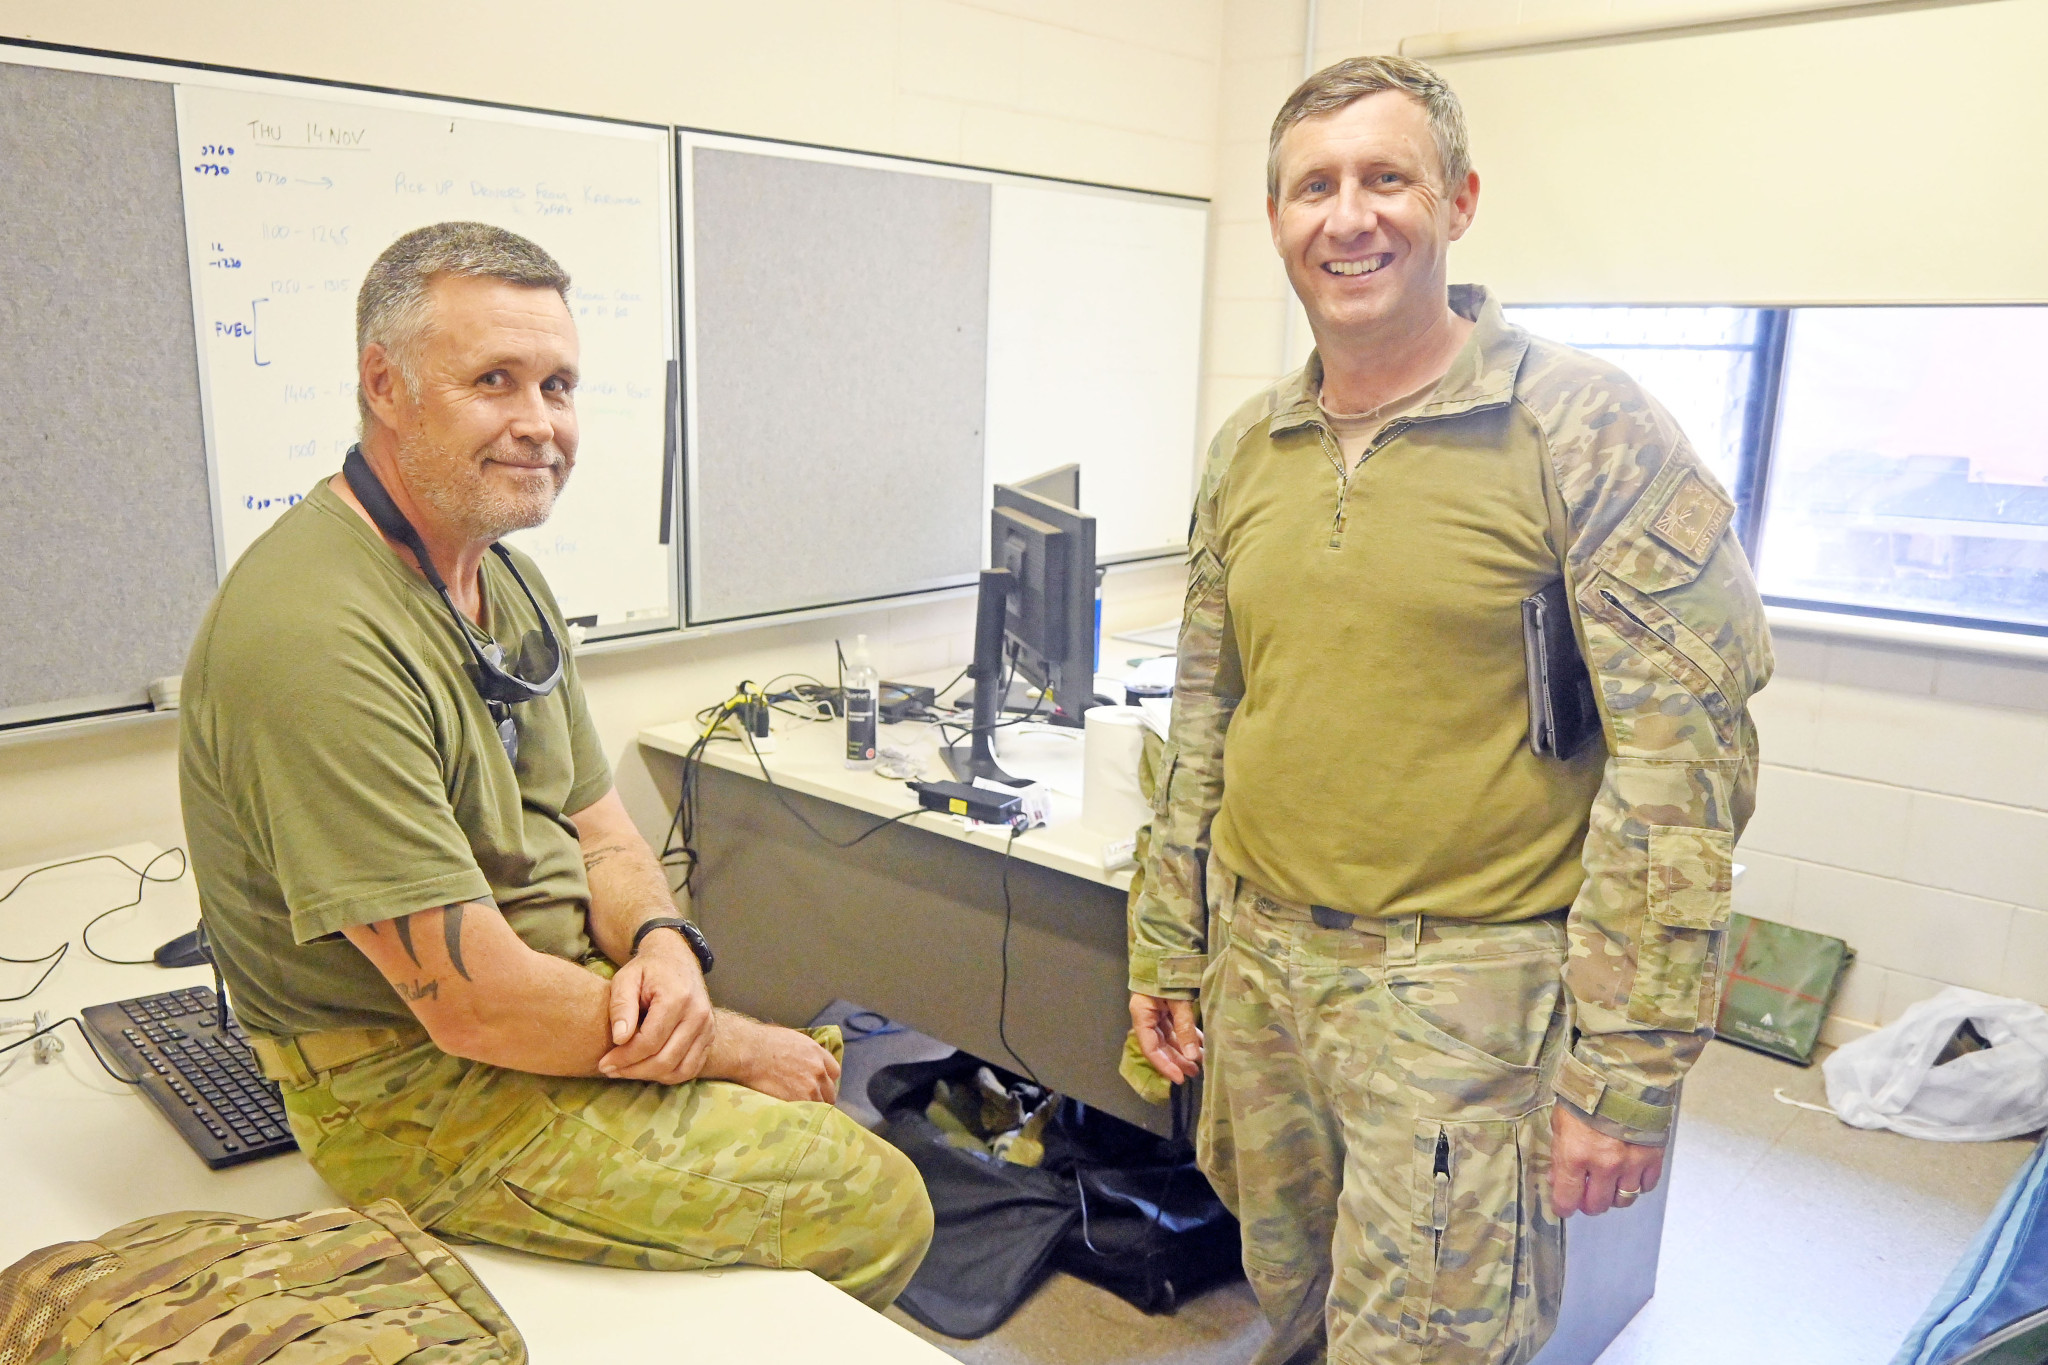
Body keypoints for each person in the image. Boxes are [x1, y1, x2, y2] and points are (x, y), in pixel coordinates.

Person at [1127, 57, 1771, 1365]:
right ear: (1275, 222)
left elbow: (1682, 767)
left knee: (1426, 1344)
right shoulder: (1252, 448)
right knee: (1294, 1304)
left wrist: (1627, 1077)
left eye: (1386, 179)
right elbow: (1206, 715)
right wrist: (1168, 941)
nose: (1348, 217)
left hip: (1464, 988)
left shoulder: (1582, 431)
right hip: (1262, 974)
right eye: (1314, 187)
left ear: (1459, 201)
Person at [179, 221, 932, 1308]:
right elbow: (471, 1009)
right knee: (873, 1200)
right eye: (495, 381)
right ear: (384, 387)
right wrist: (723, 1043)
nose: (541, 425)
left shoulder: (502, 581)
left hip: (550, 1001)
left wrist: (667, 945)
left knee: (802, 1099)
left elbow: (602, 831)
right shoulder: (315, 632)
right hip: (412, 1092)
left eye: (560, 385)